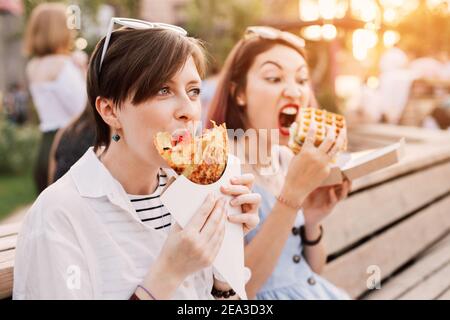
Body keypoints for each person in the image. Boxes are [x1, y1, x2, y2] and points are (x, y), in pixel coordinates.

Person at [14, 18, 261, 300]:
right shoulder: (61, 214)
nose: (189, 111)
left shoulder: (193, 195)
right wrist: (169, 272)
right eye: (163, 90)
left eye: (193, 91)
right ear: (110, 111)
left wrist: (223, 264)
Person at [208, 26, 350, 300]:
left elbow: (311, 274)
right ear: (239, 93)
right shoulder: (219, 167)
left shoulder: (287, 159)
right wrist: (292, 196)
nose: (294, 91)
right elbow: (236, 292)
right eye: (273, 78)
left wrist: (312, 221)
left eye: (301, 79)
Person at [24, 3, 87, 194]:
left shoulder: (33, 66)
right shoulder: (65, 66)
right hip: (68, 144)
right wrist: (84, 71)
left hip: (45, 144)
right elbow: (84, 107)